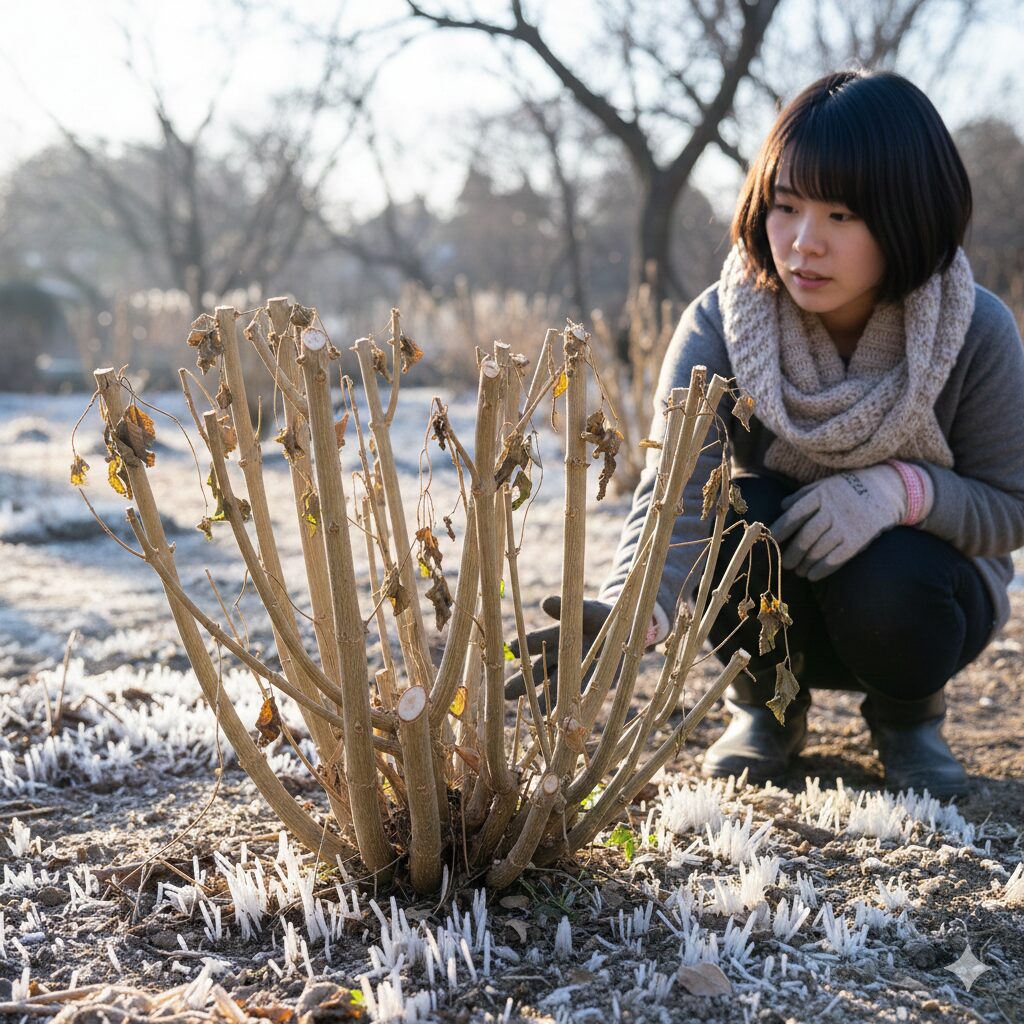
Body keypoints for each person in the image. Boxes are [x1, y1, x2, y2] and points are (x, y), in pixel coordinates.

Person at [506, 69, 1024, 798]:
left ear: (911, 215)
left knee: (894, 568)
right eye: (787, 207)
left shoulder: (976, 328)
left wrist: (897, 492)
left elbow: (1011, 505)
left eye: (842, 216)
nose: (804, 243)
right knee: (737, 511)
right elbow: (676, 492)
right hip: (777, 605)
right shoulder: (723, 321)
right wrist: (636, 610)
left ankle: (909, 721)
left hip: (920, 607)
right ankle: (767, 710)